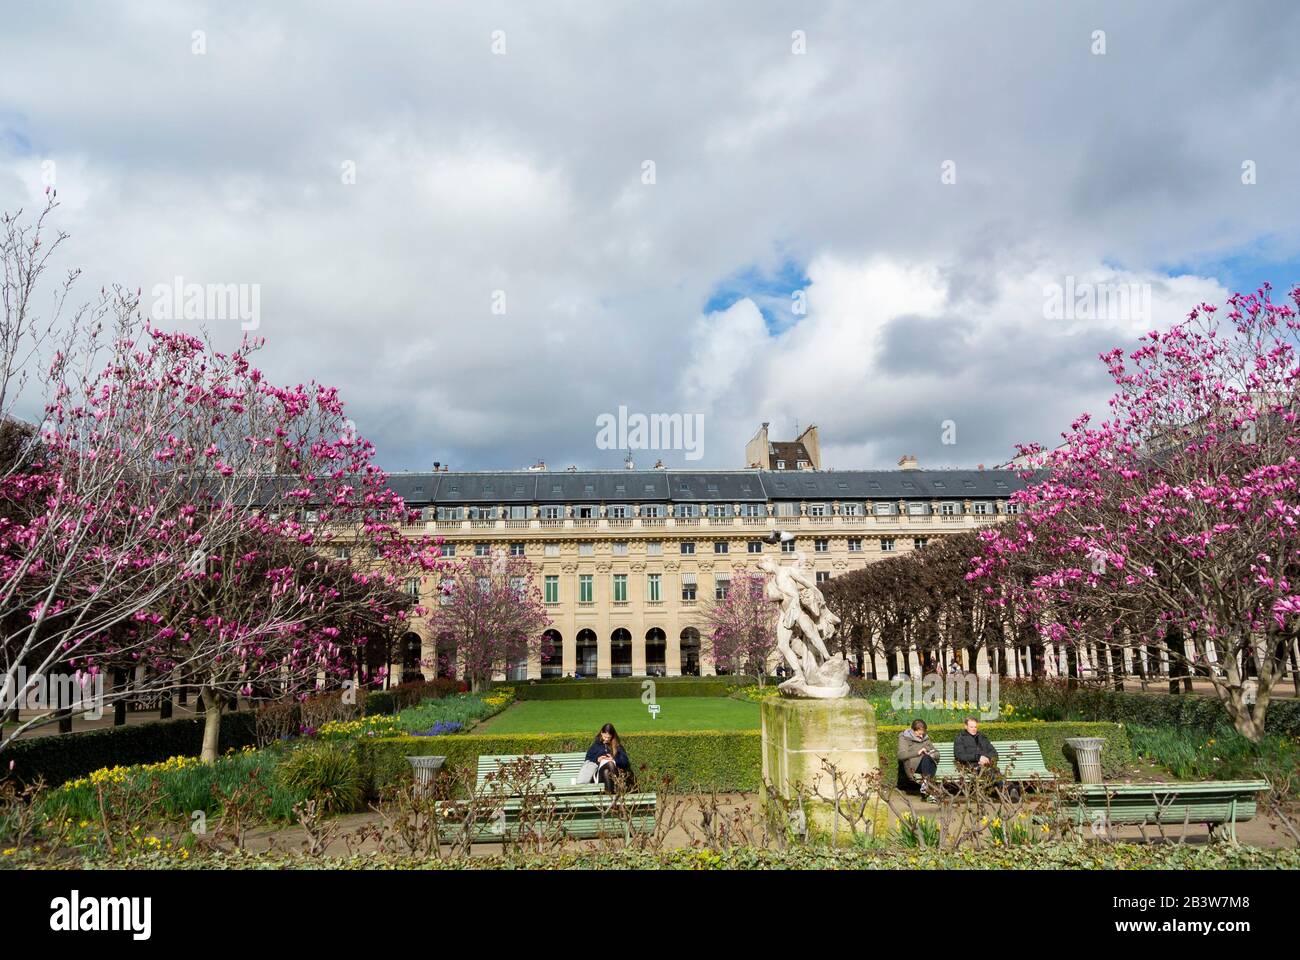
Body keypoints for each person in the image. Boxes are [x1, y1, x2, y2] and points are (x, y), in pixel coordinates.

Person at [582, 722, 633, 793]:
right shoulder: (596, 745)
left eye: (608, 737)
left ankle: (610, 799)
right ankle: (618, 786)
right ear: (601, 733)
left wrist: (614, 760)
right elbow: (588, 759)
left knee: (607, 771)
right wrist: (597, 759)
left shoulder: (617, 746)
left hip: (612, 773)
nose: (606, 739)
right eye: (604, 736)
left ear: (612, 736)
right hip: (597, 775)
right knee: (610, 764)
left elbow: (625, 761)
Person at [897, 719, 940, 802]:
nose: (921, 736)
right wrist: (918, 752)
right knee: (926, 759)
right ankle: (929, 790)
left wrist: (933, 754)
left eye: (923, 734)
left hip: (927, 764)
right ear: (913, 731)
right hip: (913, 766)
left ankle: (926, 789)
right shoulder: (904, 738)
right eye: (919, 734)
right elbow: (900, 755)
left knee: (927, 759)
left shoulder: (925, 738)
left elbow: (937, 752)